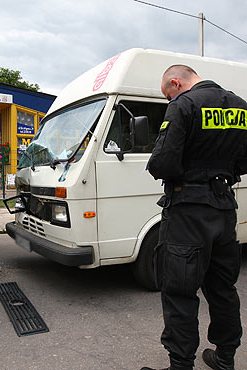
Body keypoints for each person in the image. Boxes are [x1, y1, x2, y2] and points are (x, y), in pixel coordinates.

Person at [141, 65, 247, 370]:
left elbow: (162, 163)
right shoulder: (240, 106)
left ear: (176, 82)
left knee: (179, 290)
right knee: (223, 289)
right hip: (224, 207)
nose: (168, 100)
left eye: (167, 94)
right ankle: (225, 358)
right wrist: (221, 172)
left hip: (188, 209)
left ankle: (180, 366)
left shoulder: (184, 105)